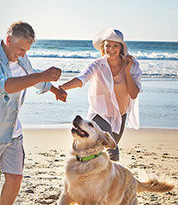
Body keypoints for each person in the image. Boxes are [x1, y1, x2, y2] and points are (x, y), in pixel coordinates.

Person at [0, 21, 67, 205]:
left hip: (13, 130)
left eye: (27, 50)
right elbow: (3, 86)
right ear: (8, 40)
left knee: (15, 178)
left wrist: (54, 90)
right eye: (20, 49)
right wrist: (42, 75)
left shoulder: (22, 59)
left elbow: (33, 79)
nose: (23, 54)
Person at [59, 28, 142, 161]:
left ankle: (99, 176)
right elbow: (82, 78)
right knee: (112, 152)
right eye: (107, 45)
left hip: (120, 115)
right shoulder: (97, 65)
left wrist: (126, 71)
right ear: (103, 47)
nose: (111, 49)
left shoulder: (132, 66)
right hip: (100, 113)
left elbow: (133, 94)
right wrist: (64, 87)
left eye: (115, 46)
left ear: (121, 48)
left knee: (106, 150)